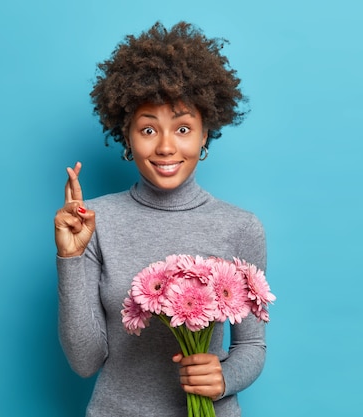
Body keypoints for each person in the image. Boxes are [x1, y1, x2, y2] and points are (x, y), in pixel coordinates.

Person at [54, 21, 267, 417]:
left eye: (183, 128)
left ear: (205, 133)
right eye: (148, 128)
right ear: (127, 136)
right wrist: (70, 259)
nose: (166, 147)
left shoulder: (241, 227)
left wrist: (225, 377)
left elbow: (251, 346)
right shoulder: (94, 222)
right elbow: (84, 362)